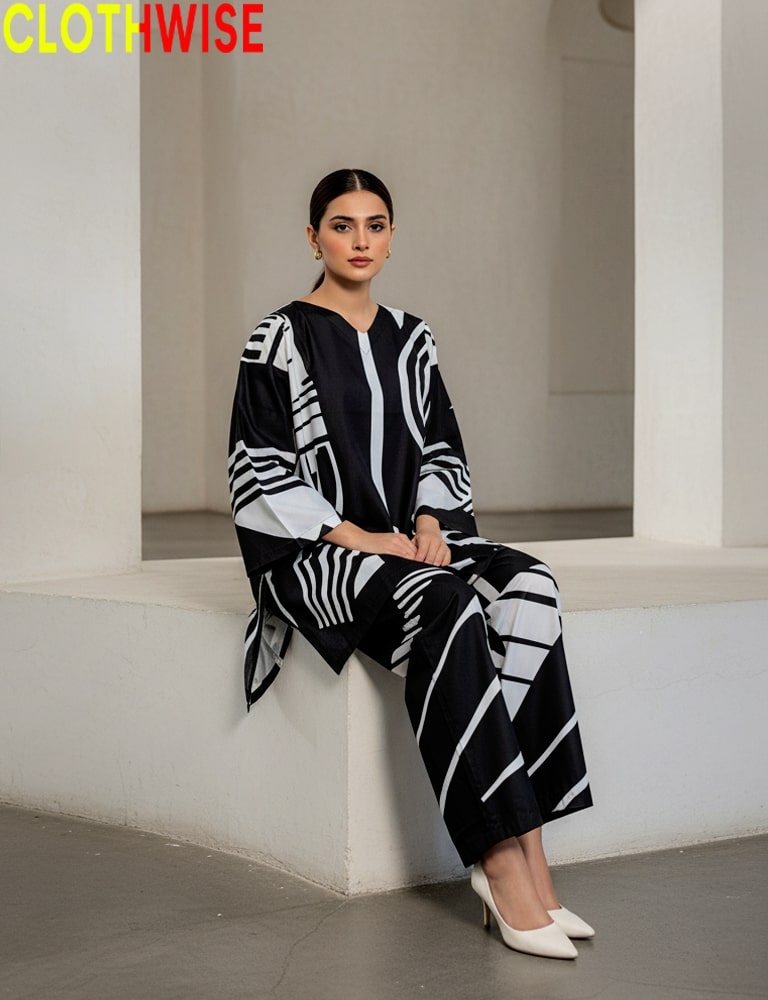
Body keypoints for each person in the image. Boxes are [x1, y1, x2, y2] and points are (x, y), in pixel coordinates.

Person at [228, 168, 594, 960]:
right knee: (445, 605)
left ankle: (532, 848)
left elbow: (440, 445)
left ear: (393, 235)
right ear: (313, 236)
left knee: (527, 588)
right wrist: (362, 538)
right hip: (317, 556)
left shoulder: (412, 335)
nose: (360, 241)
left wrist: (430, 518)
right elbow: (258, 469)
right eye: (342, 225)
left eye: (376, 225)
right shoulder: (279, 336)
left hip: (408, 537)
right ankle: (497, 859)